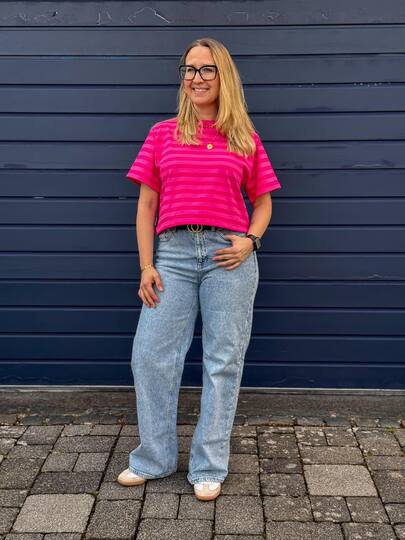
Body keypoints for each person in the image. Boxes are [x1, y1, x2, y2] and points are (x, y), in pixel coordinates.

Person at [117, 37, 281, 501]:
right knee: (150, 355)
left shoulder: (244, 137)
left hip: (228, 255)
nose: (196, 78)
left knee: (222, 360)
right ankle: (154, 458)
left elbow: (263, 202)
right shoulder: (162, 134)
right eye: (189, 69)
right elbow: (146, 206)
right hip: (172, 253)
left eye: (207, 69)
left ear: (223, 76)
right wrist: (146, 264)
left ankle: (209, 464)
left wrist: (250, 240)